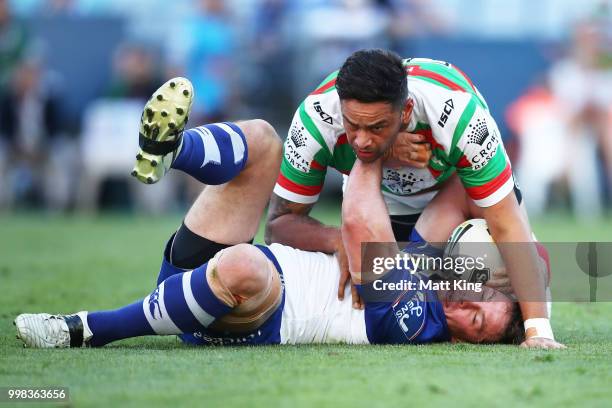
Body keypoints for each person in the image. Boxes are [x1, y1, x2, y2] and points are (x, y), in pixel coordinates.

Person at [14, 78, 522, 348]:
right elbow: (460, 187)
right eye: (480, 298)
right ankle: (174, 151)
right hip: (205, 272)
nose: (465, 309)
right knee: (261, 139)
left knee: (245, 264)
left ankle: (83, 329)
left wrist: (380, 145)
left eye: (476, 326)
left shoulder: (416, 321)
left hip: (251, 307)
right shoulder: (430, 264)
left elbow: (356, 217)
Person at [265, 48, 564, 349]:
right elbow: (277, 227)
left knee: (532, 281)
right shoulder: (316, 120)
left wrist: (538, 330)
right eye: (352, 125)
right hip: (378, 207)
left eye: (378, 127)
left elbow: (507, 223)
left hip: (453, 204)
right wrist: (336, 238)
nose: (362, 140)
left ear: (405, 112)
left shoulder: (461, 119)